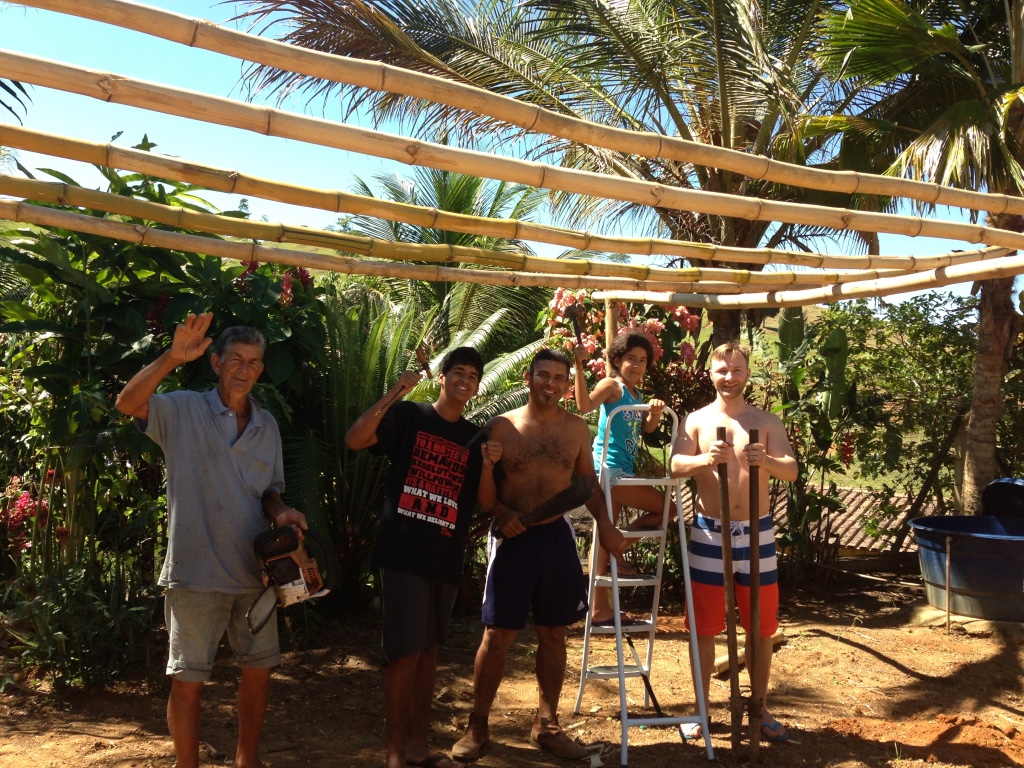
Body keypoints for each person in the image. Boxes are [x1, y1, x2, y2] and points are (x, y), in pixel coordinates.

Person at [116, 312, 307, 768]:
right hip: (195, 571)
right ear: (216, 362)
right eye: (236, 359)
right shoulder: (182, 409)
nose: (245, 369)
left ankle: (248, 761)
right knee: (187, 682)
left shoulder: (267, 425)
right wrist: (171, 356)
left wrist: (282, 513)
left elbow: (270, 492)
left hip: (255, 573)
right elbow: (127, 403)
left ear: (261, 369)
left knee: (258, 674)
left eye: (255, 362)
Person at [452, 348, 628, 762]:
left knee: (554, 632)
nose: (551, 383)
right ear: (528, 379)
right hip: (513, 541)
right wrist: (502, 513)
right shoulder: (501, 427)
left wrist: (605, 524)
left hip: (557, 539)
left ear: (567, 385)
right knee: (498, 635)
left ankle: (547, 725)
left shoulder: (576, 430)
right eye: (543, 375)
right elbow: (483, 495)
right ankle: (478, 724)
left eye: (559, 378)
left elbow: (585, 484)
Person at [344, 347, 501, 768]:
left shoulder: (476, 436)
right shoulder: (410, 416)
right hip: (402, 553)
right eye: (457, 372)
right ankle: (396, 753)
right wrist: (396, 391)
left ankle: (417, 746)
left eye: (472, 375)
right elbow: (355, 439)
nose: (464, 381)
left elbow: (487, 505)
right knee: (404, 654)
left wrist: (487, 466)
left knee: (429, 651)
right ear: (443, 377)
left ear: (477, 385)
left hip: (443, 559)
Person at [669, 342, 797, 743]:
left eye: (737, 370)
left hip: (757, 533)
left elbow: (791, 471)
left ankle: (759, 708)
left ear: (747, 373)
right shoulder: (697, 421)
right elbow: (674, 465)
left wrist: (768, 462)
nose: (729, 377)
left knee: (760, 627)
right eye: (722, 370)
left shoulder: (767, 422)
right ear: (711, 373)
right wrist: (705, 460)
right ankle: (701, 711)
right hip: (709, 531)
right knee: (704, 627)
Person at [574, 331, 669, 625]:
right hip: (609, 470)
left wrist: (655, 412)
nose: (637, 366)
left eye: (642, 361)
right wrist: (578, 367)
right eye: (631, 359)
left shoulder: (637, 394)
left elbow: (648, 430)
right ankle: (617, 549)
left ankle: (601, 610)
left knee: (605, 534)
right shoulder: (611, 386)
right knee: (668, 509)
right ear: (617, 360)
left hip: (622, 471)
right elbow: (584, 406)